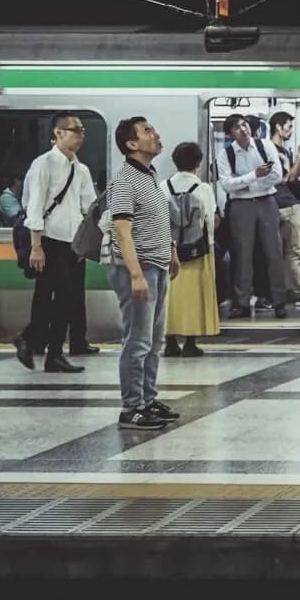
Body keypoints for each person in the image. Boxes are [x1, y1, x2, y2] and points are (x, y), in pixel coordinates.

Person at [104, 116, 180, 431]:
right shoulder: (124, 180)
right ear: (131, 144)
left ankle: (148, 400)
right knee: (137, 341)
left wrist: (171, 251)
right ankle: (131, 407)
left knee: (153, 340)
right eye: (148, 131)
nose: (156, 134)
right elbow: (122, 231)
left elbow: (156, 219)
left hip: (158, 267)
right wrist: (135, 274)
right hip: (138, 270)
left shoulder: (148, 175)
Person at [13, 112, 98, 374]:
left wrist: (84, 244)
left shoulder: (80, 169)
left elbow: (88, 207)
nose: (81, 135)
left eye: (82, 130)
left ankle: (41, 346)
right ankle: (48, 350)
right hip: (49, 241)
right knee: (61, 297)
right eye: (75, 130)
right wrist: (36, 245)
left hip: (71, 244)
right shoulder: (44, 164)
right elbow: (33, 206)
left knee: (62, 299)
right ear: (58, 133)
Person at [216, 113, 288, 319]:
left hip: (267, 202)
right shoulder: (226, 155)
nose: (243, 129)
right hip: (240, 206)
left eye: (244, 125)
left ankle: (279, 301)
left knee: (274, 251)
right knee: (242, 254)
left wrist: (245, 183)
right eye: (237, 127)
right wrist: (254, 176)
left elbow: (276, 175)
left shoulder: (265, 146)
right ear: (230, 134)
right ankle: (242, 302)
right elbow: (226, 184)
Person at [162, 141, 220, 358]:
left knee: (169, 295)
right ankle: (190, 343)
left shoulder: (163, 186)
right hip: (199, 251)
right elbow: (210, 220)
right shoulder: (203, 188)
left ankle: (169, 341)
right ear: (198, 163)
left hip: (168, 250)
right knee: (195, 296)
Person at [269, 112, 300, 308]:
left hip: (292, 202)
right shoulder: (271, 150)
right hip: (283, 204)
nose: (290, 131)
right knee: (294, 251)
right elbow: (286, 178)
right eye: (288, 127)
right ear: (278, 127)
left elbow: (293, 175)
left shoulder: (285, 151)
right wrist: (299, 156)